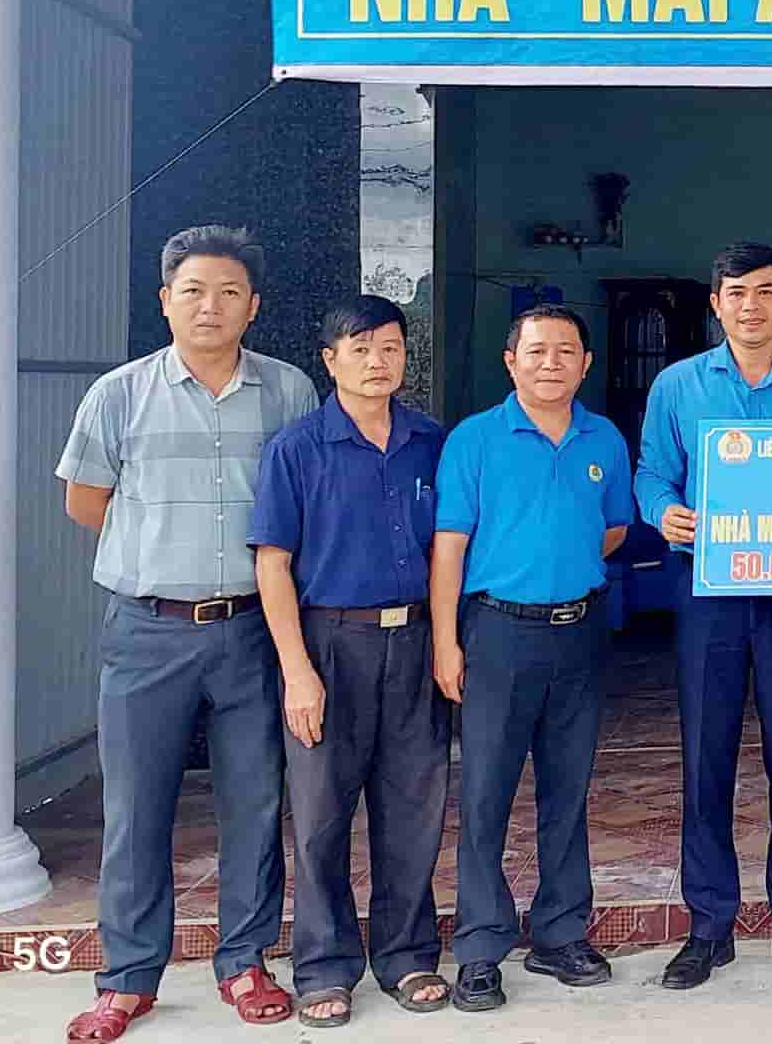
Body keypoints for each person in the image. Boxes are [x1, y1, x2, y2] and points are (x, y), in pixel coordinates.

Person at [57, 226, 317, 1042]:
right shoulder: (119, 393)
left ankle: (244, 961)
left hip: (251, 629)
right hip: (147, 630)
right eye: (194, 290)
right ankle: (129, 978)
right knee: (138, 807)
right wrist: (157, 559)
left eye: (229, 291)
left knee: (254, 800)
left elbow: (305, 505)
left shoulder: (288, 392)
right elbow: (86, 503)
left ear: (255, 306)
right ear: (165, 299)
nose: (211, 306)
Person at [635, 243, 772, 990]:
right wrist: (663, 512)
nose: (751, 306)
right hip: (708, 596)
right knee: (706, 759)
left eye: (765, 292)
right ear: (716, 303)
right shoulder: (678, 385)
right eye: (737, 293)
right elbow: (652, 472)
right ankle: (708, 926)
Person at [249, 295, 450, 1025]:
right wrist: (297, 671)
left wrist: (446, 643)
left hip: (416, 640)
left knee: (414, 806)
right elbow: (273, 563)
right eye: (359, 348)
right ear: (329, 360)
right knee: (323, 813)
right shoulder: (296, 449)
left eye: (391, 347)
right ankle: (325, 965)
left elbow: (446, 551)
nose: (377, 361)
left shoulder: (432, 441)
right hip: (329, 644)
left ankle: (405, 955)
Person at [428, 304, 634, 1012]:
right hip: (497, 635)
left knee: (567, 791)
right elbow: (448, 547)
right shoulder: (475, 440)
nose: (552, 362)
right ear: (510, 360)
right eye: (538, 350)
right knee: (485, 794)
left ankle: (560, 933)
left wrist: (560, 569)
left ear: (586, 364)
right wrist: (446, 640)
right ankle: (481, 946)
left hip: (578, 633)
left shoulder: (602, 436)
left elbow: (611, 530)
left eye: (566, 351)